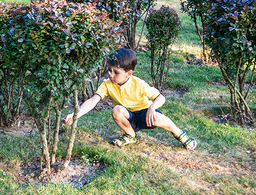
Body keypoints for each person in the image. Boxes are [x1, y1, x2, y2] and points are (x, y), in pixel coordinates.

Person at [62, 48, 197, 150]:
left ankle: (179, 133)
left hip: (145, 114)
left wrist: (152, 107)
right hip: (129, 116)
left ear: (129, 74)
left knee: (158, 117)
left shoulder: (139, 84)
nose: (111, 75)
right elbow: (92, 101)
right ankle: (130, 135)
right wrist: (75, 115)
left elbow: (160, 97)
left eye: (116, 72)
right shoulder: (107, 85)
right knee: (117, 110)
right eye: (110, 70)